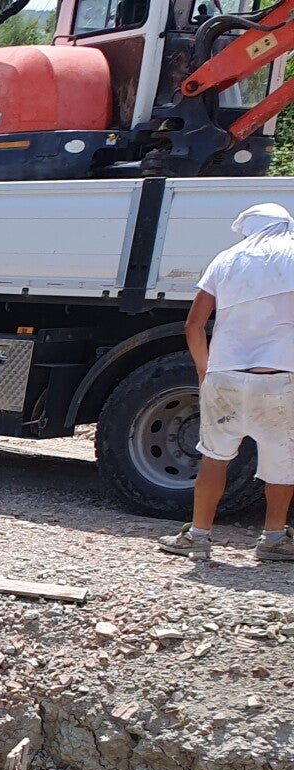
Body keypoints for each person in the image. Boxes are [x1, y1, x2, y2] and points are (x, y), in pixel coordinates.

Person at [159, 202, 294, 562]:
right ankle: (273, 539)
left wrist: (205, 370)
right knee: (283, 463)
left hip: (225, 376)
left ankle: (198, 536)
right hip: (279, 378)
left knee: (214, 459)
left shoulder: (226, 259)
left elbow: (193, 324)